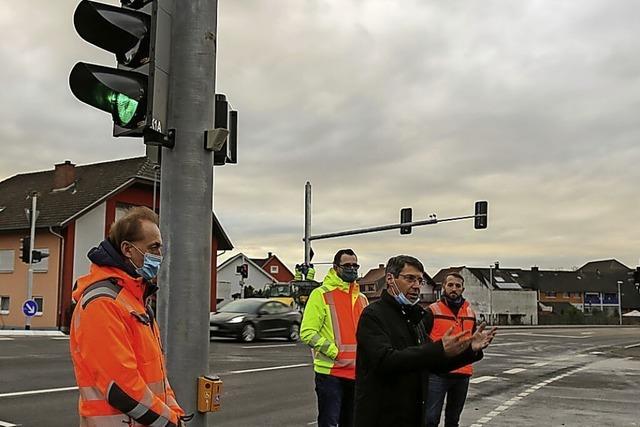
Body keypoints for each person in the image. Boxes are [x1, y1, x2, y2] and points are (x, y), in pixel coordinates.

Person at [69, 207, 188, 427]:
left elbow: (158, 379)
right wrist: (170, 421)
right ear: (128, 249)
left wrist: (175, 414)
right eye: (153, 247)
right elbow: (121, 387)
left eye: (160, 248)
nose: (159, 256)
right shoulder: (103, 303)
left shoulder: (135, 301)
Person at [354, 255, 496, 427]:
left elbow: (435, 364)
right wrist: (438, 349)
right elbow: (386, 360)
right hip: (382, 415)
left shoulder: (414, 318)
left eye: (420, 280)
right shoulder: (373, 315)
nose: (416, 286)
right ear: (390, 279)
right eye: (410, 279)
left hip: (411, 415)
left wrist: (470, 350)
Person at [301, 249, 369, 427]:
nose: (352, 269)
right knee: (329, 422)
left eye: (355, 265)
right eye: (347, 265)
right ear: (335, 268)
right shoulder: (321, 294)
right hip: (331, 373)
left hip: (356, 373)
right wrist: (334, 352)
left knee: (352, 421)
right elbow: (307, 332)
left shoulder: (362, 299)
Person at [425, 272, 478, 426]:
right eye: (450, 285)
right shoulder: (432, 311)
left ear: (462, 289)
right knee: (430, 418)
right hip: (438, 373)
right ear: (443, 287)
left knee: (453, 419)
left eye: (457, 286)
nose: (453, 288)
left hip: (462, 373)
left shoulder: (470, 313)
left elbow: (472, 340)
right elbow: (423, 340)